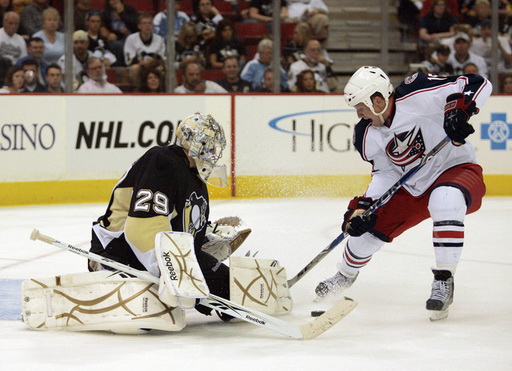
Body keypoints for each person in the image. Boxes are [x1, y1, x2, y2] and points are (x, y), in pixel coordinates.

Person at [315, 66, 492, 320]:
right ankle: (343, 275)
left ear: (377, 100)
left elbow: (479, 83)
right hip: (412, 185)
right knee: (366, 233)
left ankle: (444, 280)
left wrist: (460, 111)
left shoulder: (418, 92)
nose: (359, 114)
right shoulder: (365, 134)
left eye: (361, 108)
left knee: (445, 199)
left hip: (455, 168)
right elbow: (385, 173)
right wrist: (365, 206)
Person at [124, 12, 166, 89]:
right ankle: (138, 91)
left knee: (163, 69)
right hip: (140, 66)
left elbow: (162, 57)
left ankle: (163, 92)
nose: (147, 25)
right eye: (144, 23)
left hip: (155, 66)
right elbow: (129, 60)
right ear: (139, 26)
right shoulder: (131, 38)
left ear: (153, 25)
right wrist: (143, 63)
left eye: (149, 23)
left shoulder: (159, 39)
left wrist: (152, 62)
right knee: (134, 69)